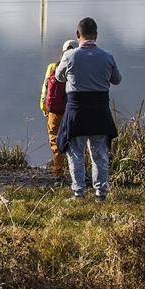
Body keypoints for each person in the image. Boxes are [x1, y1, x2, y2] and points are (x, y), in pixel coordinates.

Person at [54, 18, 121, 201]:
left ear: (78, 35)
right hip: (100, 111)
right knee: (99, 154)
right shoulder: (107, 56)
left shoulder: (70, 56)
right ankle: (101, 194)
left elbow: (59, 77)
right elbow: (117, 80)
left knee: (75, 152)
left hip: (77, 111)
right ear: (96, 35)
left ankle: (79, 193)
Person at [40, 39, 78, 178]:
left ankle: (58, 172)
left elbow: (45, 88)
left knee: (55, 140)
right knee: (74, 141)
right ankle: (76, 172)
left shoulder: (53, 67)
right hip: (72, 110)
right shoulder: (78, 66)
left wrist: (44, 107)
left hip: (54, 110)